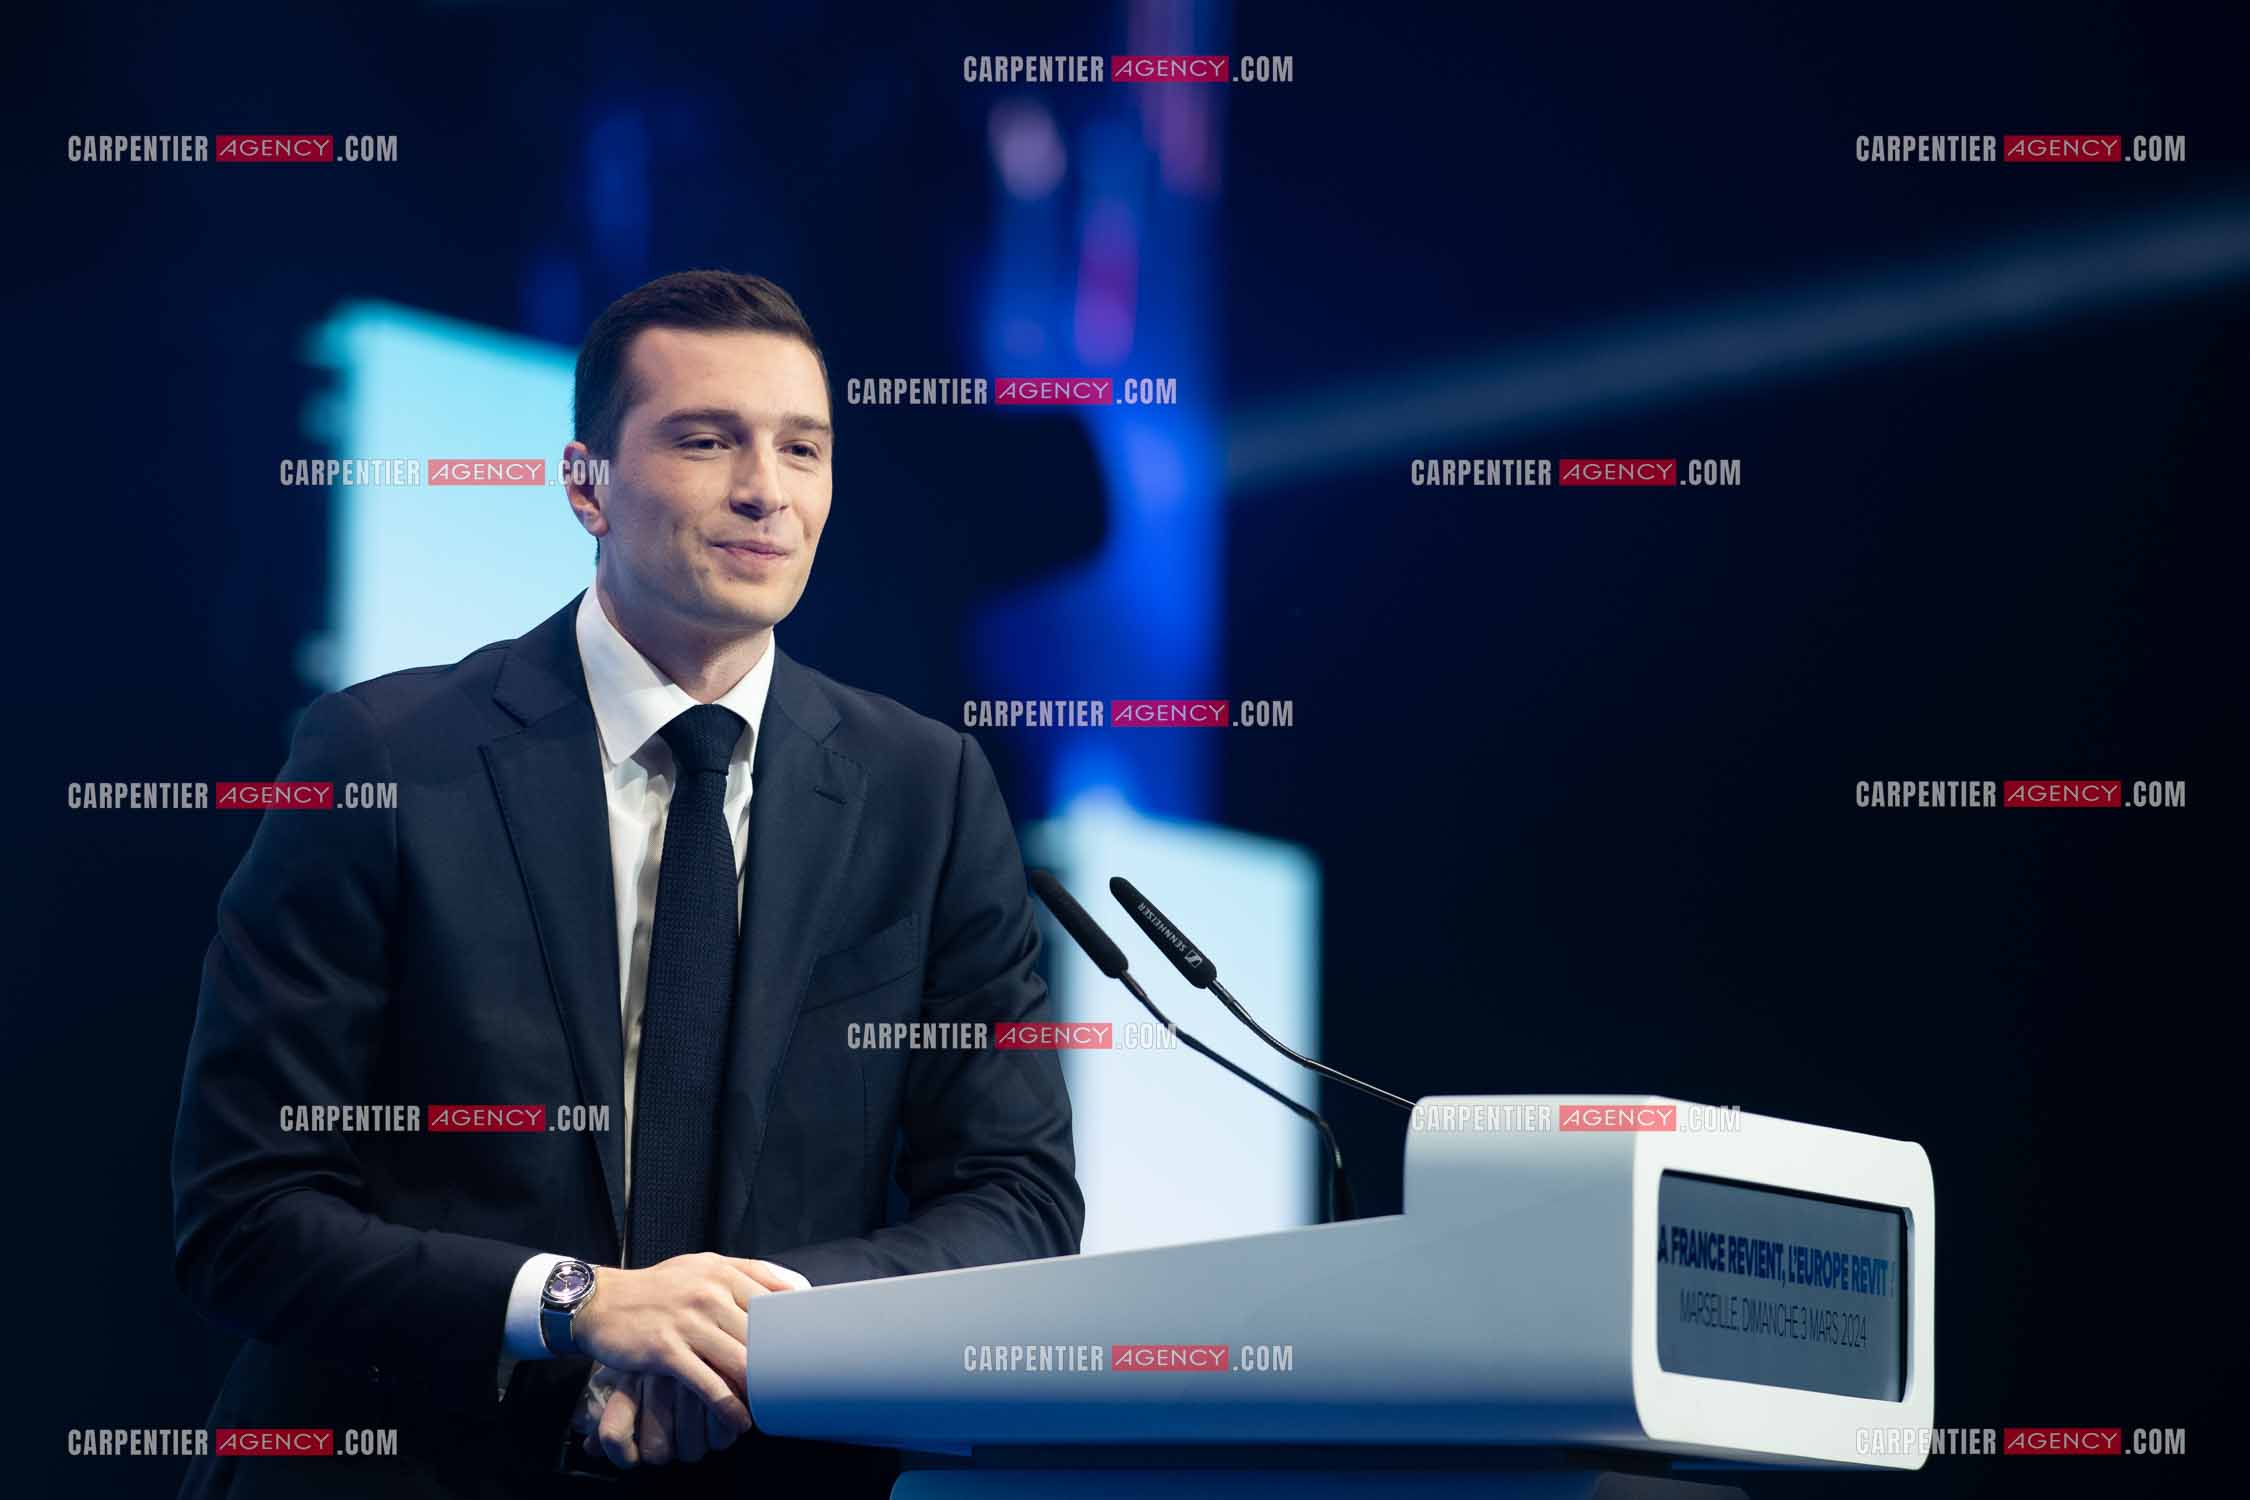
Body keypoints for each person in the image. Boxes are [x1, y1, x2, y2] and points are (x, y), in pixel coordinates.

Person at [171, 269, 1083, 1497]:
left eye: (801, 448)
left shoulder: (928, 789)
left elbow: (1017, 1195)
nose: (766, 489)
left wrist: (765, 1330)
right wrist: (576, 1306)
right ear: (583, 484)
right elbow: (244, 1210)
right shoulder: (384, 759)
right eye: (705, 441)